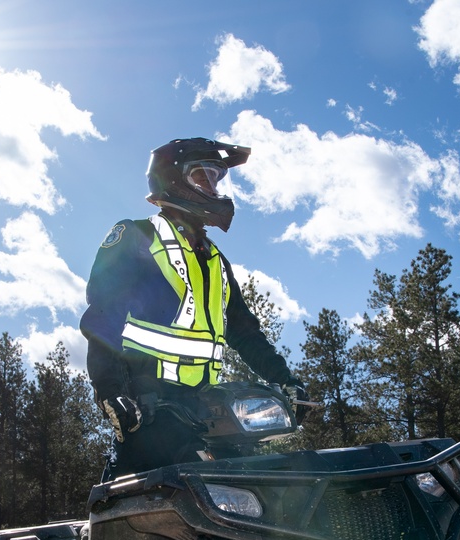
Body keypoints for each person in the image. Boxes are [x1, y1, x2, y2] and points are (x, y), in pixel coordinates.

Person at [80, 137, 305, 477]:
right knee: (138, 496)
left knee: (248, 486)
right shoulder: (135, 236)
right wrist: (111, 392)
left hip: (209, 409)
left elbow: (245, 333)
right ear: (173, 179)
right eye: (203, 177)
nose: (212, 187)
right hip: (148, 407)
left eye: (216, 179)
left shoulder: (216, 261)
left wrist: (284, 380)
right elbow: (103, 316)